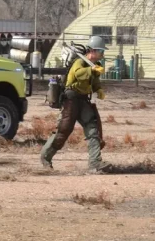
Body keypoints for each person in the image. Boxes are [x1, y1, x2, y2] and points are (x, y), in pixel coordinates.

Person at [40, 36, 111, 173]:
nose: (102, 54)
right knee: (64, 130)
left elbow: (94, 82)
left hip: (83, 100)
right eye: (101, 51)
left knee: (92, 129)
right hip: (71, 99)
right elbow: (78, 74)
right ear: (93, 51)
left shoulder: (94, 65)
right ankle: (45, 157)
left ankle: (95, 163)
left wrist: (99, 90)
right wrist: (92, 70)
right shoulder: (79, 62)